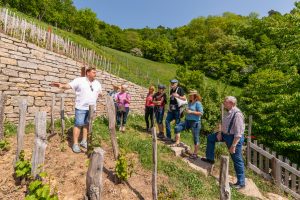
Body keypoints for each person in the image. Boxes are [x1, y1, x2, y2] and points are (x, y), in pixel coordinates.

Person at [50, 68, 102, 153]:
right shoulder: (79, 80)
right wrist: (61, 85)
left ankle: (84, 141)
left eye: (96, 72)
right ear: (88, 73)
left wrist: (101, 94)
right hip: (81, 107)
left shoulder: (97, 83)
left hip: (92, 108)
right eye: (94, 72)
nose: (95, 74)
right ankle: (75, 144)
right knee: (78, 125)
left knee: (87, 124)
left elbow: (100, 93)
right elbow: (69, 85)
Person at [201, 96, 246, 189]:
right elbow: (223, 123)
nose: (224, 103)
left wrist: (233, 145)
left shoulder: (237, 114)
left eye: (226, 102)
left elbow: (239, 133)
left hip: (234, 138)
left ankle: (241, 183)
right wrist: (220, 133)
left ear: (232, 103)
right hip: (225, 135)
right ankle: (210, 158)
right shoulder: (228, 112)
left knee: (237, 159)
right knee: (210, 138)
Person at [173, 90, 203, 159]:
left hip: (195, 122)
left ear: (195, 96)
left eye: (191, 95)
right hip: (187, 121)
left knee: (196, 138)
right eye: (189, 95)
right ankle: (177, 142)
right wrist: (184, 110)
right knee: (177, 127)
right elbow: (187, 110)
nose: (189, 96)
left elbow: (201, 113)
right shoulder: (189, 103)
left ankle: (195, 154)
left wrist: (191, 111)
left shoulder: (198, 103)